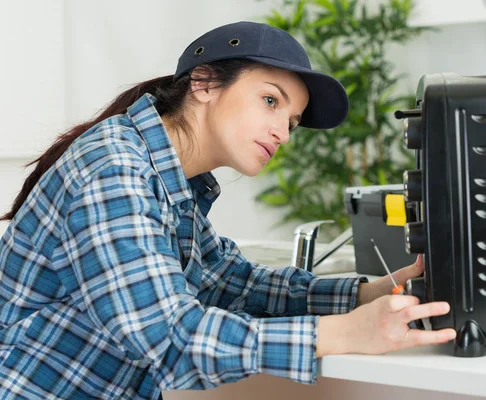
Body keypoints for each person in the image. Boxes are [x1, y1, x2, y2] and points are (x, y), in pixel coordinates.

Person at [0, 21, 456, 399]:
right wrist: (342, 333)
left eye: (292, 122)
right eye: (271, 100)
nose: (282, 132)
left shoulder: (172, 179)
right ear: (203, 82)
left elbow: (231, 282)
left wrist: (364, 295)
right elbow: (168, 339)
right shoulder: (114, 167)